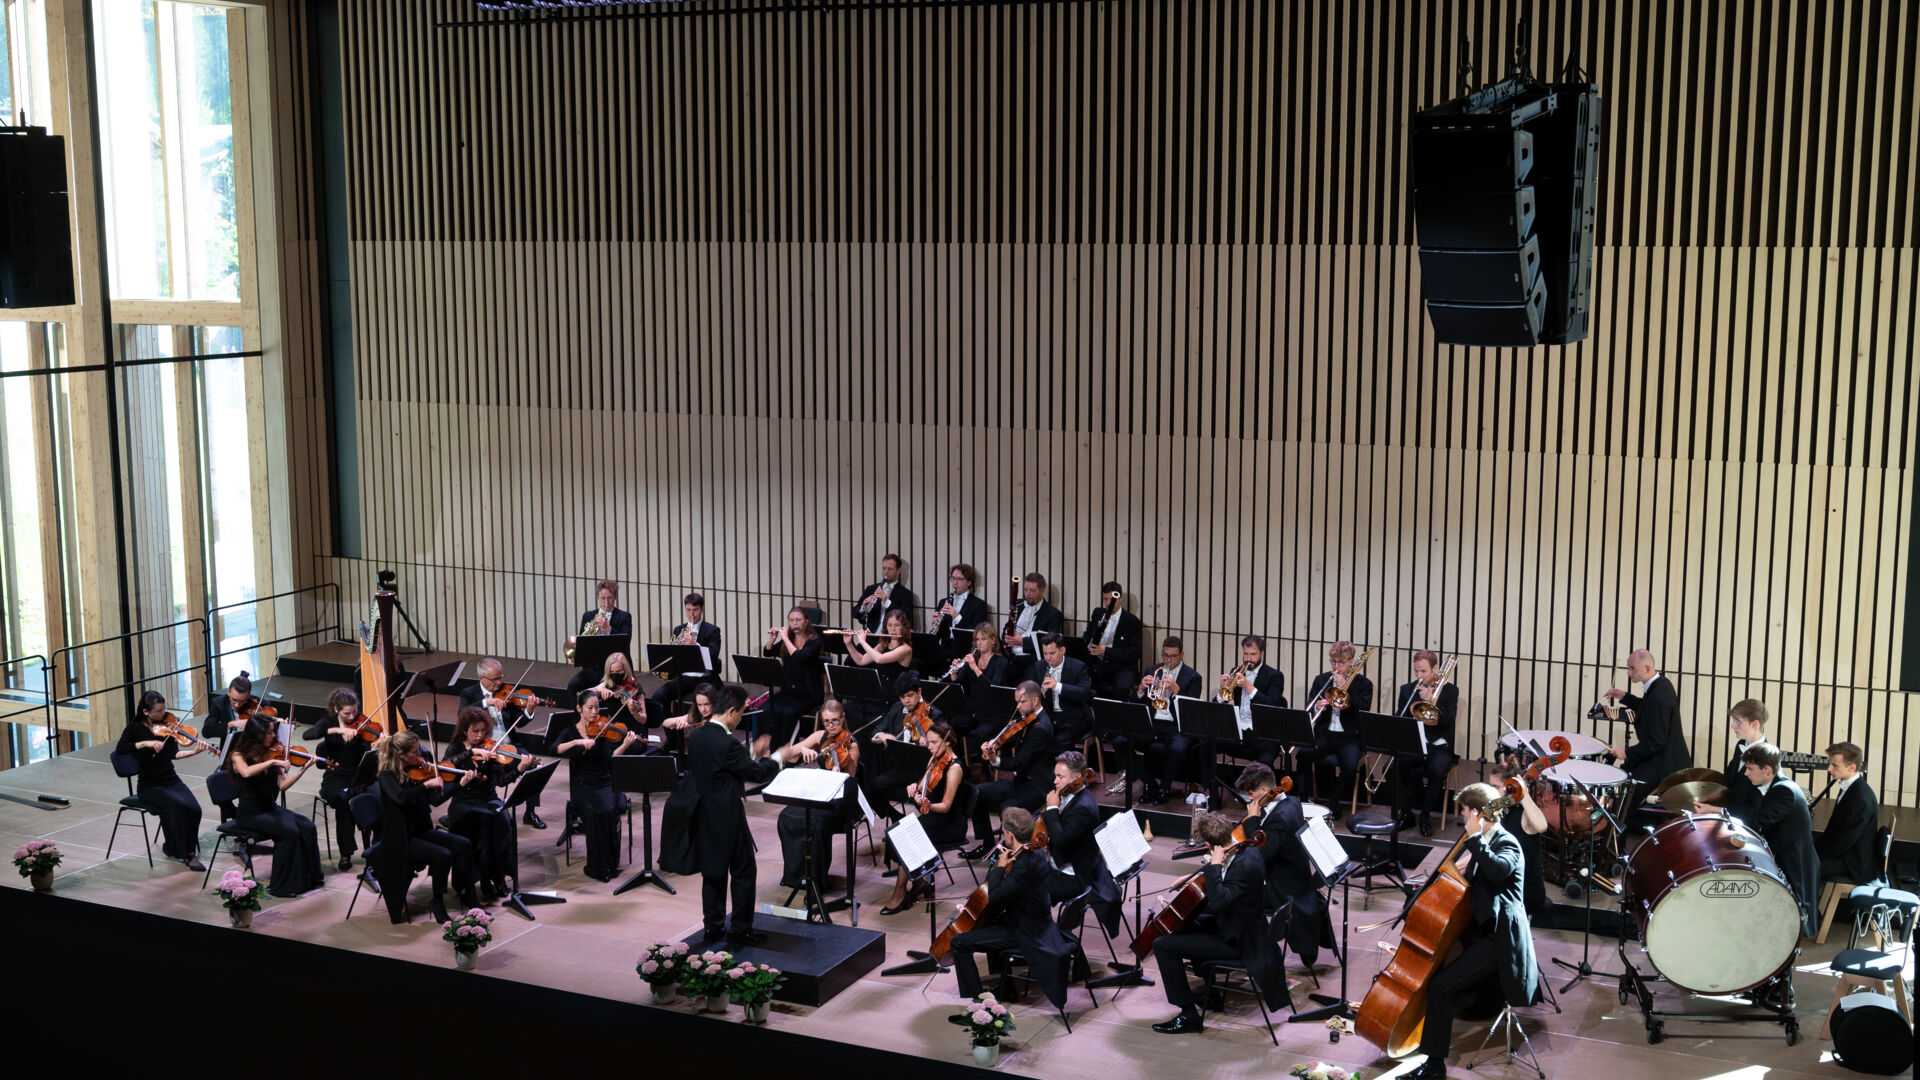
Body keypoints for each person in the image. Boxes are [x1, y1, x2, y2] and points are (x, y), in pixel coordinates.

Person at [1406, 783, 1540, 1079]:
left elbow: (1497, 870)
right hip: (1482, 931)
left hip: (1500, 939)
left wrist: (1475, 841)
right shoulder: (1486, 840)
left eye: (1465, 812)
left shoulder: (1507, 842)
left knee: (1441, 986)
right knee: (1444, 984)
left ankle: (1434, 1066)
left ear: (1479, 814)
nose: (1462, 818)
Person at [1148, 811, 1288, 1034]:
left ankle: (1188, 1015)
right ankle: (1211, 995)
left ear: (1208, 844)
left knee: (1162, 945)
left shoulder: (1242, 866)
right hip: (1244, 927)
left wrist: (1213, 867)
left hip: (1239, 942)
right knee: (1185, 926)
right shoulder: (1248, 848)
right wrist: (1196, 875)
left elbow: (1220, 900)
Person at [685, 684, 788, 943]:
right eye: (741, 713)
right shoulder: (728, 743)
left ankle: (713, 928)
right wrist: (778, 757)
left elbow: (720, 768)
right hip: (728, 817)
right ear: (731, 711)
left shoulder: (696, 737)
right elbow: (755, 774)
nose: (741, 718)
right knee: (743, 872)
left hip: (704, 815)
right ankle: (740, 930)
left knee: (713, 873)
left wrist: (750, 754)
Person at [945, 807, 1075, 1010]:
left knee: (958, 943)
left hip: (1025, 932)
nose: (1003, 836)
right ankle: (1005, 986)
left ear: (1010, 835)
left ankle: (977, 1001)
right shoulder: (1037, 854)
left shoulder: (1022, 865)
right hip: (1038, 923)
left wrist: (999, 867)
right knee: (989, 923)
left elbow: (996, 896)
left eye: (1004, 832)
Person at [371, 729, 480, 924]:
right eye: (416, 753)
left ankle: (468, 895)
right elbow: (401, 798)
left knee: (463, 845)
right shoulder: (387, 775)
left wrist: (459, 785)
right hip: (400, 838)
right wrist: (425, 786)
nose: (421, 757)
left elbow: (436, 801)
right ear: (401, 755)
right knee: (443, 856)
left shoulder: (420, 773)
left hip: (421, 831)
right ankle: (436, 901)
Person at [1234, 764, 1329, 967]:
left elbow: (1259, 856)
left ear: (1265, 791)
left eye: (1251, 792)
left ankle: (1241, 953)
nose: (1249, 798)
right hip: (1294, 876)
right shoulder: (1292, 803)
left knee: (1231, 895)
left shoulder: (1280, 820)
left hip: (1281, 887)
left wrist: (1252, 822)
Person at [224, 714, 325, 897]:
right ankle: (283, 885)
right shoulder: (238, 756)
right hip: (250, 814)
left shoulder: (270, 752)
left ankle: (308, 879)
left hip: (269, 808)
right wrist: (271, 762)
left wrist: (304, 769)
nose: (273, 736)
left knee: (307, 826)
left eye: (273, 731)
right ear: (257, 733)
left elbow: (283, 785)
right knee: (289, 832)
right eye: (269, 732)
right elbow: (246, 773)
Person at [552, 689, 642, 882]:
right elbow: (555, 748)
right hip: (583, 785)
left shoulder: (604, 729)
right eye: (590, 708)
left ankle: (609, 863)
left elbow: (611, 759)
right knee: (595, 812)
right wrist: (577, 742)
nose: (595, 712)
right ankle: (596, 866)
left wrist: (625, 744)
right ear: (579, 708)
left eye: (597, 708)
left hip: (605, 781)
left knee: (608, 809)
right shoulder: (570, 731)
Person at [878, 721, 967, 914]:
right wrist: (914, 788)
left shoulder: (954, 768)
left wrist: (924, 804)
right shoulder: (934, 759)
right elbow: (922, 785)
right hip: (931, 818)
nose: (929, 746)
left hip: (949, 823)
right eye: (929, 742)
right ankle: (919, 882)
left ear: (948, 742)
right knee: (897, 832)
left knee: (908, 838)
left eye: (934, 742)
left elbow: (945, 806)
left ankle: (900, 892)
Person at [445, 705, 534, 896]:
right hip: (463, 801)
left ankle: (498, 876)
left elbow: (501, 781)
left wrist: (520, 769)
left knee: (503, 822)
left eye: (482, 731)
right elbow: (446, 766)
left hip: (488, 798)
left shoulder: (491, 747)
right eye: (474, 731)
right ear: (464, 731)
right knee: (482, 825)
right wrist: (470, 753)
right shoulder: (456, 747)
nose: (479, 736)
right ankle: (482, 878)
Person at [117, 691, 208, 871]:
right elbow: (121, 749)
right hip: (149, 785)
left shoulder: (167, 726)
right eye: (159, 711)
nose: (164, 714)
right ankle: (188, 854)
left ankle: (174, 846)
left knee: (195, 809)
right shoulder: (134, 729)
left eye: (164, 708)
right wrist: (146, 743)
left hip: (170, 779)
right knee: (179, 807)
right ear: (146, 711)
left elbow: (174, 753)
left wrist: (193, 752)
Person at [776, 700, 860, 895]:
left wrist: (840, 769)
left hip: (841, 799)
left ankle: (817, 881)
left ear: (843, 718)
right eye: (826, 722)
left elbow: (850, 781)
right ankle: (795, 876)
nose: (831, 726)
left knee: (817, 824)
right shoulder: (820, 736)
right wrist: (801, 750)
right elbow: (788, 754)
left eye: (835, 721)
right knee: (786, 817)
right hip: (819, 793)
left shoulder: (851, 745)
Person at [962, 682, 1055, 857]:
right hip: (1021, 782)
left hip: (1036, 787)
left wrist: (994, 759)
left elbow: (1018, 763)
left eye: (1022, 702)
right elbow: (1011, 738)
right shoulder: (1028, 718)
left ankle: (1010, 852)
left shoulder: (1041, 728)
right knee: (976, 792)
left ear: (1035, 700)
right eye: (1017, 702)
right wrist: (995, 743)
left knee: (1006, 807)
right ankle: (987, 843)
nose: (1018, 706)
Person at [1601, 649, 1690, 816]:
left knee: (1626, 800)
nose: (1628, 673)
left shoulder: (1658, 695)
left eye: (1632, 668)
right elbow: (1647, 708)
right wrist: (1625, 697)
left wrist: (1626, 752)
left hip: (1663, 762)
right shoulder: (1661, 684)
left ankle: (1620, 834)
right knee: (1626, 788)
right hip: (1658, 756)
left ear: (1648, 668)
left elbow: (1657, 742)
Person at [1040, 751, 1121, 936]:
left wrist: (1052, 808)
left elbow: (1059, 839)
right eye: (1055, 776)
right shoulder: (1069, 794)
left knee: (1025, 888)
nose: (1055, 781)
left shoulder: (1083, 808)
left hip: (1072, 876)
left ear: (1077, 777)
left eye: (1060, 777)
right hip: (1063, 864)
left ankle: (1040, 937)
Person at [1741, 744, 1818, 937]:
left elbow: (1758, 822)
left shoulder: (1783, 790)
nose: (1746, 774)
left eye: (1750, 768)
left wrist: (1719, 813)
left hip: (1793, 862)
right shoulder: (1780, 786)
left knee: (1789, 919)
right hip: (1788, 856)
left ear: (1767, 769)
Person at [1120, 636, 1205, 804]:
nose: (1168, 660)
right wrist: (1140, 690)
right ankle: (1149, 784)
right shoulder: (1152, 670)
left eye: (1173, 656)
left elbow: (1190, 712)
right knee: (1121, 741)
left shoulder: (1193, 677)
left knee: (1178, 748)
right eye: (1165, 655)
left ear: (1181, 654)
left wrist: (1176, 691)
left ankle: (1165, 787)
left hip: (1177, 727)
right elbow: (1136, 703)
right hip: (1153, 724)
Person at [459, 659, 543, 828]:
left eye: (500, 677)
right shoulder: (469, 693)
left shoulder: (506, 692)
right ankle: (491, 804)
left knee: (534, 766)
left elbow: (519, 723)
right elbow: (462, 713)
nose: (499, 683)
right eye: (494, 679)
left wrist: (529, 710)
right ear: (480, 677)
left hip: (509, 746)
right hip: (485, 748)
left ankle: (530, 812)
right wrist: (486, 702)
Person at [1388, 650, 1459, 836]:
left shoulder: (1450, 690)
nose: (1419, 676)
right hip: (1415, 744)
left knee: (1436, 770)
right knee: (1390, 769)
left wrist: (1432, 703)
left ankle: (1426, 816)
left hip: (1439, 746)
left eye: (1424, 672)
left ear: (1435, 669)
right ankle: (1406, 813)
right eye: (1416, 671)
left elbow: (1449, 720)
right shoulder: (1407, 689)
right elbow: (1399, 717)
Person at [305, 687, 376, 870]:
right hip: (335, 777)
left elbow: (367, 752)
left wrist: (379, 741)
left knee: (378, 796)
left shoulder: (362, 722)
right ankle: (346, 853)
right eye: (347, 714)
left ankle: (377, 847)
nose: (352, 717)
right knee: (345, 800)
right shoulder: (327, 722)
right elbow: (309, 734)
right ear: (336, 710)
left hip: (359, 776)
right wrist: (336, 729)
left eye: (354, 712)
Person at [1307, 640, 1373, 818]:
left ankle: (1334, 802)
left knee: (1350, 766)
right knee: (1302, 754)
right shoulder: (1322, 680)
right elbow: (1310, 703)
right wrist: (1317, 707)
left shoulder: (1364, 684)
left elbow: (1363, 712)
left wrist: (1346, 689)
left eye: (1340, 663)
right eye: (1333, 661)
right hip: (1325, 733)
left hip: (1349, 737)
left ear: (1351, 662)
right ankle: (1302, 800)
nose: (1336, 666)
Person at [861, 673, 941, 818]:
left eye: (910, 695)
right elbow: (877, 730)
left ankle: (927, 826)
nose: (907, 701)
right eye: (902, 697)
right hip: (901, 769)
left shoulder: (934, 714)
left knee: (924, 802)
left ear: (919, 692)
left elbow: (943, 748)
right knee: (871, 788)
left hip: (923, 772)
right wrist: (883, 736)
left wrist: (929, 743)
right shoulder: (897, 708)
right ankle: (897, 818)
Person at [1486, 759, 1551, 915]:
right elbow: (1483, 848)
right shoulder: (1499, 812)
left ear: (1510, 788)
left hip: (1524, 891)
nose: (1491, 792)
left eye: (1495, 787)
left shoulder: (1524, 815)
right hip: (1505, 884)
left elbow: (1542, 826)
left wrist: (1523, 792)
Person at [759, 606, 826, 757]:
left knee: (788, 712)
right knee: (767, 707)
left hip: (808, 693)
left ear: (807, 621)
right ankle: (768, 751)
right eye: (791, 620)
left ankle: (787, 754)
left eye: (798, 620)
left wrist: (785, 639)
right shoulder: (787, 638)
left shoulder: (815, 641)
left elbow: (799, 657)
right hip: (789, 690)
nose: (795, 623)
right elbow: (768, 652)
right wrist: (772, 640)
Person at [1816, 742, 1880, 888]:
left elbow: (1844, 841)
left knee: (1802, 866)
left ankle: (1809, 908)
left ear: (1852, 767)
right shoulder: (1850, 786)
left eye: (1835, 765)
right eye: (1830, 764)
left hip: (1853, 863)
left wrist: (1814, 855)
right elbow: (1835, 832)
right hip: (1845, 855)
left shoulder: (1861, 799)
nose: (1829, 769)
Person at [649, 592, 723, 714]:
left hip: (704, 677)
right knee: (658, 697)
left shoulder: (712, 630)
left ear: (702, 608)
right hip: (683, 678)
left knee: (706, 704)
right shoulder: (679, 630)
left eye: (695, 610)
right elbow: (672, 656)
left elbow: (713, 656)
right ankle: (673, 731)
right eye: (688, 610)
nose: (691, 614)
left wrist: (695, 645)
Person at [1221, 634, 1288, 768]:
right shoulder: (1236, 671)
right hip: (1238, 730)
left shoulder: (1274, 676)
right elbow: (1222, 701)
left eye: (1253, 654)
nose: (1248, 659)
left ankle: (1261, 788)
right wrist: (1223, 689)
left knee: (1266, 759)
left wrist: (1249, 687)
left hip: (1263, 733)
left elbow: (1272, 704)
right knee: (1205, 743)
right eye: (1245, 654)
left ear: (1262, 653)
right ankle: (1209, 787)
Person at [845, 609, 915, 729]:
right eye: (889, 625)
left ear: (903, 627)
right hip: (878, 696)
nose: (893, 629)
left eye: (897, 625)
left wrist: (862, 641)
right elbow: (861, 660)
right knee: (848, 709)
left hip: (892, 700)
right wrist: (849, 643)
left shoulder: (905, 649)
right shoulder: (883, 645)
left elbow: (879, 659)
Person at [945, 622, 1011, 750]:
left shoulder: (1001, 662)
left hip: (992, 714)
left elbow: (993, 688)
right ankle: (962, 765)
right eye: (977, 639)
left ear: (992, 641)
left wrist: (975, 668)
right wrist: (954, 674)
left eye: (983, 639)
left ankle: (986, 768)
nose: (979, 643)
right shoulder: (972, 659)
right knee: (952, 725)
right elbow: (960, 686)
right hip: (973, 711)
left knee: (982, 733)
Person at [567, 579, 633, 695]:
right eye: (603, 598)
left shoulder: (624, 617)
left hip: (615, 670)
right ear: (598, 598)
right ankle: (580, 713)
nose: (606, 602)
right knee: (573, 685)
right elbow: (581, 643)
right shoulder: (588, 616)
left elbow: (626, 641)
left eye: (610, 598)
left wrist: (608, 629)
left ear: (615, 597)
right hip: (593, 668)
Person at [1033, 633, 1094, 750]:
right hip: (1050, 717)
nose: (1048, 658)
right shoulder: (1039, 666)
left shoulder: (1079, 667)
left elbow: (1085, 693)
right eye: (1045, 654)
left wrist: (1058, 686)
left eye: (1052, 653)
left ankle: (1060, 768)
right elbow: (1030, 688)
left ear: (1062, 650)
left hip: (1074, 717)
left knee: (1060, 741)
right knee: (1035, 737)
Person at [1081, 582, 1143, 699]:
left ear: (1120, 598)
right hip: (1099, 664)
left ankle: (1118, 716)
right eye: (1105, 599)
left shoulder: (1131, 621)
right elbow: (1088, 635)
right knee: (1081, 680)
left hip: (1122, 667)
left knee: (1121, 688)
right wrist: (1088, 645)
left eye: (1111, 600)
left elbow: (1134, 652)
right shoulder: (1098, 613)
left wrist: (1106, 651)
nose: (1108, 603)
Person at [1715, 698, 1771, 824]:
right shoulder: (1740, 745)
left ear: (1755, 724)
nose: (1732, 725)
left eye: (1738, 721)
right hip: (1728, 818)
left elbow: (1754, 808)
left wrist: (1718, 810)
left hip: (1746, 826)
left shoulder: (1765, 759)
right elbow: (1730, 782)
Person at [1003, 572, 1064, 681]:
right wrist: (1006, 639)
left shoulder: (1052, 614)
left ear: (1042, 590)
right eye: (1026, 589)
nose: (1028, 594)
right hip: (1010, 656)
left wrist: (1022, 641)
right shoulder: (1018, 604)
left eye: (1032, 590)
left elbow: (1050, 642)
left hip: (1030, 660)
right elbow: (1007, 626)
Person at [932, 563, 993, 659]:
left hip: (967, 651)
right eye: (953, 578)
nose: (954, 583)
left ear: (969, 582)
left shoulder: (979, 605)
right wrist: (936, 625)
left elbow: (978, 632)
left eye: (959, 579)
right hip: (945, 648)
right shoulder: (944, 602)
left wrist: (956, 617)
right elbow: (938, 634)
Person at [854, 553, 918, 634]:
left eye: (890, 569)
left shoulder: (905, 593)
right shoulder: (871, 589)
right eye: (884, 568)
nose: (886, 572)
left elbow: (907, 618)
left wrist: (886, 601)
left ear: (898, 571)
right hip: (871, 635)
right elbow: (855, 613)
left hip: (892, 638)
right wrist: (863, 607)